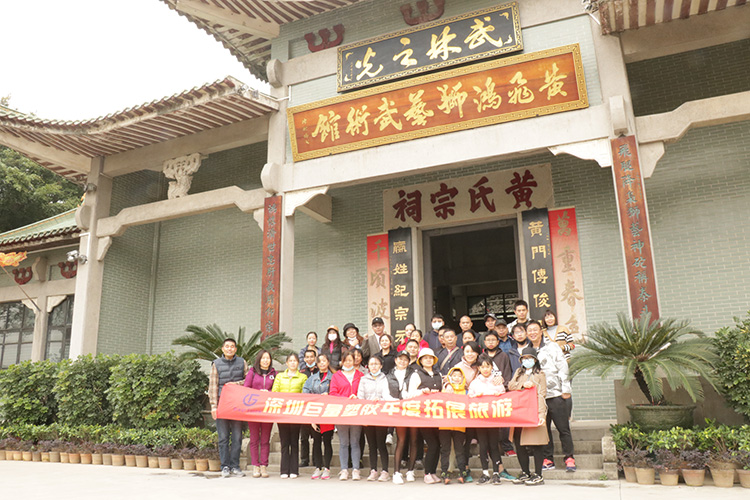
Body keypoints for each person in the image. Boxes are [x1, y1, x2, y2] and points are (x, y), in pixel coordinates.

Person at [526, 320, 576, 473]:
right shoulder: (527, 351)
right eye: (530, 330)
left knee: (563, 428)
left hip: (555, 394)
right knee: (544, 429)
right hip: (538, 397)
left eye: (535, 329)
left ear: (541, 331)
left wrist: (566, 389)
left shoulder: (552, 346)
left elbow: (563, 367)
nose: (533, 333)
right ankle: (548, 458)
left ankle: (569, 457)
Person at [469, 354, 515, 484]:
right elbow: (470, 399)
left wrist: (498, 395)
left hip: (494, 420)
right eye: (482, 367)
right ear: (478, 368)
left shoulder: (497, 382)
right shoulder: (475, 383)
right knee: (483, 446)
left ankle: (496, 472)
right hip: (480, 420)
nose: (485, 369)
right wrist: (475, 397)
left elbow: (503, 397)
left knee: (494, 445)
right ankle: (485, 472)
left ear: (491, 367)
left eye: (487, 366)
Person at [208, 338, 248, 478]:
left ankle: (235, 466)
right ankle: (225, 466)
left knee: (237, 437)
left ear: (235, 349)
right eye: (227, 346)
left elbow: (248, 381)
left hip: (237, 405)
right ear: (223, 349)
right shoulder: (216, 364)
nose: (230, 349)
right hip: (222, 405)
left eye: (232, 346)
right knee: (223, 437)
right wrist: (214, 406)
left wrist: (235, 385)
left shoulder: (242, 362)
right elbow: (213, 386)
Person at [508, 346, 548, 486]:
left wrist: (541, 415)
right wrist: (522, 384)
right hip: (520, 413)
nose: (527, 361)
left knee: (536, 444)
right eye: (524, 359)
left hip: (533, 412)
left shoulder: (540, 375)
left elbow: (542, 395)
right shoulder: (519, 372)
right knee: (519, 444)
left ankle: (538, 474)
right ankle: (525, 472)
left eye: (529, 358)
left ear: (535, 360)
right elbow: (511, 385)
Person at [406, 348, 442, 484]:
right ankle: (427, 473)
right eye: (425, 358)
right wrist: (422, 392)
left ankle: (433, 472)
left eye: (430, 358)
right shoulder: (416, 375)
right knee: (432, 444)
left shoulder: (438, 374)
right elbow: (410, 394)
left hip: (437, 414)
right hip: (423, 415)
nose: (428, 360)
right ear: (420, 360)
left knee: (438, 444)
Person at [271, 353, 307, 478]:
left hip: (296, 413)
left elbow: (304, 394)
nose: (292, 363)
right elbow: (275, 392)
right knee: (284, 441)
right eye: (290, 360)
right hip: (282, 413)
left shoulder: (303, 377)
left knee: (294, 441)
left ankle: (294, 470)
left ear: (298, 363)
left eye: (295, 361)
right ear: (287, 363)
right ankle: (284, 470)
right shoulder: (280, 376)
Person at [330, 351, 364, 481]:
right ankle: (344, 469)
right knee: (344, 442)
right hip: (342, 413)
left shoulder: (360, 375)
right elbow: (333, 393)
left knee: (355, 442)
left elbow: (364, 392)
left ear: (354, 361)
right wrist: (346, 399)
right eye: (346, 360)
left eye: (350, 360)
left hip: (356, 412)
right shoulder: (336, 376)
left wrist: (357, 397)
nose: (348, 363)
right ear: (342, 362)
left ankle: (356, 470)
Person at [243, 349, 276, 478]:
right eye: (263, 358)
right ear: (259, 360)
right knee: (254, 439)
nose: (265, 361)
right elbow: (246, 388)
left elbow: (277, 390)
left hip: (268, 410)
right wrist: (257, 393)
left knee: (265, 439)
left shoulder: (274, 373)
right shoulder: (252, 372)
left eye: (268, 358)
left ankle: (264, 466)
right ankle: (255, 466)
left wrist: (269, 393)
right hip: (254, 410)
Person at [358, 355, 391, 482]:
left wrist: (380, 400)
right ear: (368, 366)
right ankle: (373, 470)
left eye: (376, 364)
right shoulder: (363, 379)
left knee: (381, 444)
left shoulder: (385, 378)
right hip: (368, 414)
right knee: (371, 445)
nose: (374, 366)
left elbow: (387, 395)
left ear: (381, 366)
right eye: (371, 364)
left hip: (381, 414)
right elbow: (360, 396)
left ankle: (385, 471)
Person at [483, 331, 516, 459]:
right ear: (484, 342)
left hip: (501, 393)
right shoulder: (482, 357)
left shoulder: (504, 356)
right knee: (487, 421)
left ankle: (507, 447)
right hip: (486, 394)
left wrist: (505, 386)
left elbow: (507, 372)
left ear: (498, 342)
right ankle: (487, 448)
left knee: (504, 421)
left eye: (493, 340)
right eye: (488, 340)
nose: (491, 342)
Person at [303, 353, 335, 480]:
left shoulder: (333, 378)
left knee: (327, 441)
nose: (322, 363)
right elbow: (306, 395)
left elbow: (336, 393)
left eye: (324, 361)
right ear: (317, 364)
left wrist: (329, 395)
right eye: (320, 361)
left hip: (328, 414)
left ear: (328, 362)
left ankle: (327, 468)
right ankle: (318, 467)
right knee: (316, 442)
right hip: (315, 413)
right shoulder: (312, 379)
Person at [387, 351, 417, 484]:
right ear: (395, 360)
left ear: (409, 361)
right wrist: (395, 400)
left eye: (405, 360)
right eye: (400, 359)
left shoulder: (414, 373)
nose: (402, 362)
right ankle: (396, 472)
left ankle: (410, 471)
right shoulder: (389, 375)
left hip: (413, 408)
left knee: (414, 440)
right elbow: (386, 393)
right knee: (401, 439)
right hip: (398, 410)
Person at [439, 366, 469, 484]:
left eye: (459, 376)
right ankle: (444, 472)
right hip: (445, 425)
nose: (457, 378)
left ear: (463, 378)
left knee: (459, 449)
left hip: (460, 425)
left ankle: (462, 472)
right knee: (445, 449)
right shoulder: (444, 390)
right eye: (454, 376)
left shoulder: (466, 392)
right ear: (449, 377)